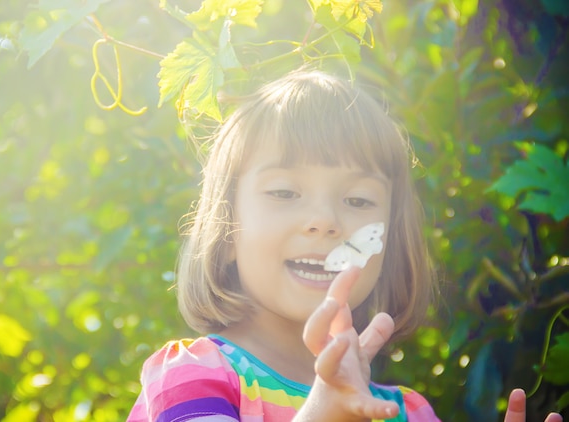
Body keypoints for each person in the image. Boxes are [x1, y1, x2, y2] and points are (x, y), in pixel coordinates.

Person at [126, 69, 563, 421]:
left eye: (357, 200)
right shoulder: (193, 377)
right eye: (284, 192)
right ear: (226, 231)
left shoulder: (407, 413)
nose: (325, 222)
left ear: (389, 250)